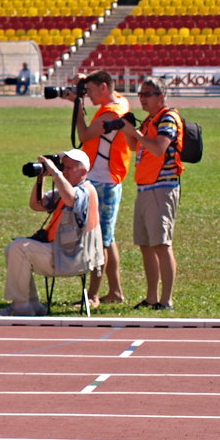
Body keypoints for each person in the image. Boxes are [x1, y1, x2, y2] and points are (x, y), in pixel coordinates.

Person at [0, 149, 102, 316]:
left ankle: (20, 307)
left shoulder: (86, 191)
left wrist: (56, 172)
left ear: (83, 171)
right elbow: (36, 205)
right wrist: (41, 178)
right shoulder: (66, 189)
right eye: (63, 167)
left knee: (19, 248)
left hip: (73, 256)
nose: (64, 171)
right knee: (13, 248)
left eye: (69, 168)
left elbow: (72, 199)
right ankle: (32, 304)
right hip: (62, 251)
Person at [110, 76, 184, 311]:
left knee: (161, 244)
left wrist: (136, 132)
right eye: (140, 94)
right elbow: (137, 147)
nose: (142, 98)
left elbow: (159, 148)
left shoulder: (168, 118)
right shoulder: (151, 120)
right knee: (146, 244)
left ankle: (167, 300)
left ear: (161, 96)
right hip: (145, 187)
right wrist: (127, 131)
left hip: (162, 187)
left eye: (147, 94)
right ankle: (152, 297)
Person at [61, 69, 133, 306]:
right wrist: (83, 85)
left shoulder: (110, 114)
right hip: (109, 178)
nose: (89, 95)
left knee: (98, 239)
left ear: (103, 87)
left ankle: (92, 295)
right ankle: (115, 292)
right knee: (107, 238)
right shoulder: (120, 101)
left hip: (104, 181)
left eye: (91, 91)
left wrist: (78, 104)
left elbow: (84, 134)